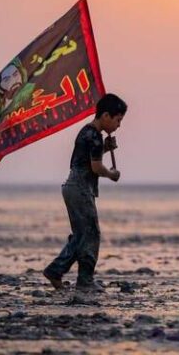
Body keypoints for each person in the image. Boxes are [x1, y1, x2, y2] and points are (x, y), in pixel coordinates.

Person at [42, 93, 127, 292]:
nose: (118, 125)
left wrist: (104, 148)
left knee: (82, 235)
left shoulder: (88, 133)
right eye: (118, 120)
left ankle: (56, 271)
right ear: (105, 116)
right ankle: (85, 280)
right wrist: (111, 174)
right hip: (79, 188)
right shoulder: (94, 135)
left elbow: (85, 159)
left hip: (73, 187)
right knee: (91, 234)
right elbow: (96, 167)